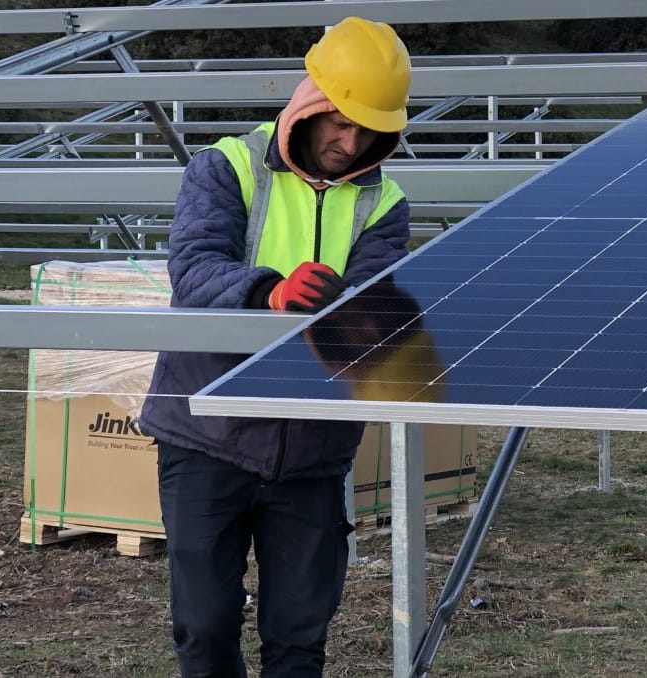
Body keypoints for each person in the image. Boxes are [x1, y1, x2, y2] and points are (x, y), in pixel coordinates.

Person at [138, 17, 412, 677]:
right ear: (311, 102)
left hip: (314, 450)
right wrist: (270, 293)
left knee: (298, 638)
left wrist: (362, 317)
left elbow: (371, 302)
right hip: (208, 433)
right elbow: (194, 270)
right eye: (340, 124)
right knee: (204, 629)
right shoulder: (227, 167)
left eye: (368, 129)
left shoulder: (384, 201)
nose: (351, 143)